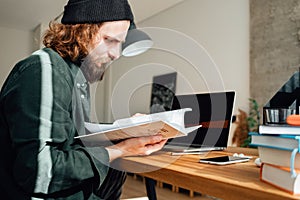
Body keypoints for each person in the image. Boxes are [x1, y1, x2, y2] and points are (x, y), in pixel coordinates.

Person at [0, 0, 167, 199]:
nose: (115, 54)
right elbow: (40, 174)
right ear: (81, 30)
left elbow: (71, 138)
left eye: (120, 44)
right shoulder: (44, 70)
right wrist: (119, 150)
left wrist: (124, 128)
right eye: (109, 40)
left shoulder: (76, 78)